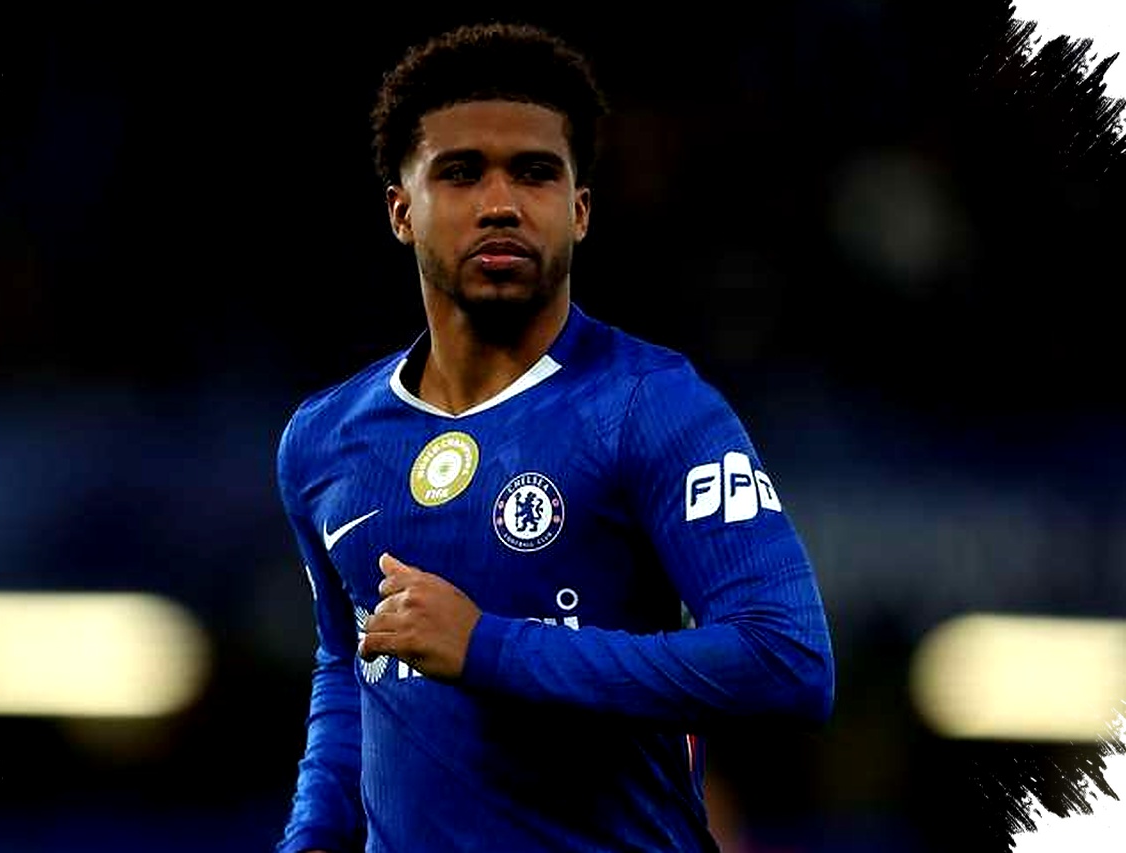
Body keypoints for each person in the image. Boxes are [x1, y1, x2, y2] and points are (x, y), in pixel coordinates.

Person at [273, 21, 835, 853]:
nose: (500, 203)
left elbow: (786, 659)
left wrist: (487, 645)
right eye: (461, 172)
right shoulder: (323, 441)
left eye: (534, 173)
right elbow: (352, 670)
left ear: (579, 211)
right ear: (401, 210)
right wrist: (314, 838)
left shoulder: (652, 405)